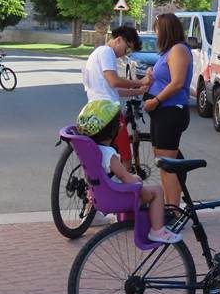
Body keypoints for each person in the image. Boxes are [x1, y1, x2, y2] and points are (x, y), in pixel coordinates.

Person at [76, 100, 182, 243]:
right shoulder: (109, 154)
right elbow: (124, 176)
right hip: (115, 197)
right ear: (111, 131)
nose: (120, 125)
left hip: (101, 195)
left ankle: (130, 221)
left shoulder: (93, 151)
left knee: (137, 179)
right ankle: (158, 231)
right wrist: (139, 185)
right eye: (118, 124)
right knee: (156, 191)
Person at [142, 14, 193, 207]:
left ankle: (173, 208)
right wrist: (151, 74)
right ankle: (168, 205)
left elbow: (177, 82)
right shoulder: (168, 52)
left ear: (165, 30)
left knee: (167, 164)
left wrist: (155, 100)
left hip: (171, 110)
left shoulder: (179, 49)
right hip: (162, 111)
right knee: (163, 162)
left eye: (157, 31)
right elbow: (165, 78)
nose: (155, 35)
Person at [82, 26, 151, 165]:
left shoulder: (97, 53)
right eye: (126, 49)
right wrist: (139, 82)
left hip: (96, 109)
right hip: (108, 111)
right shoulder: (107, 52)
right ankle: (126, 186)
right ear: (119, 40)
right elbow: (114, 81)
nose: (125, 53)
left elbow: (112, 89)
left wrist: (138, 91)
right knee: (125, 156)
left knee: (105, 153)